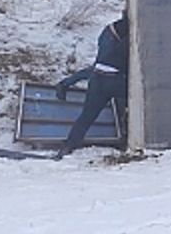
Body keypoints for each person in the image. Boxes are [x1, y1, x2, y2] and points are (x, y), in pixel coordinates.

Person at [55, 15, 129, 158]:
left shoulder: (116, 42)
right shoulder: (130, 41)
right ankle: (125, 136)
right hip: (114, 78)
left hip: (98, 78)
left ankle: (68, 146)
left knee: (86, 116)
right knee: (134, 97)